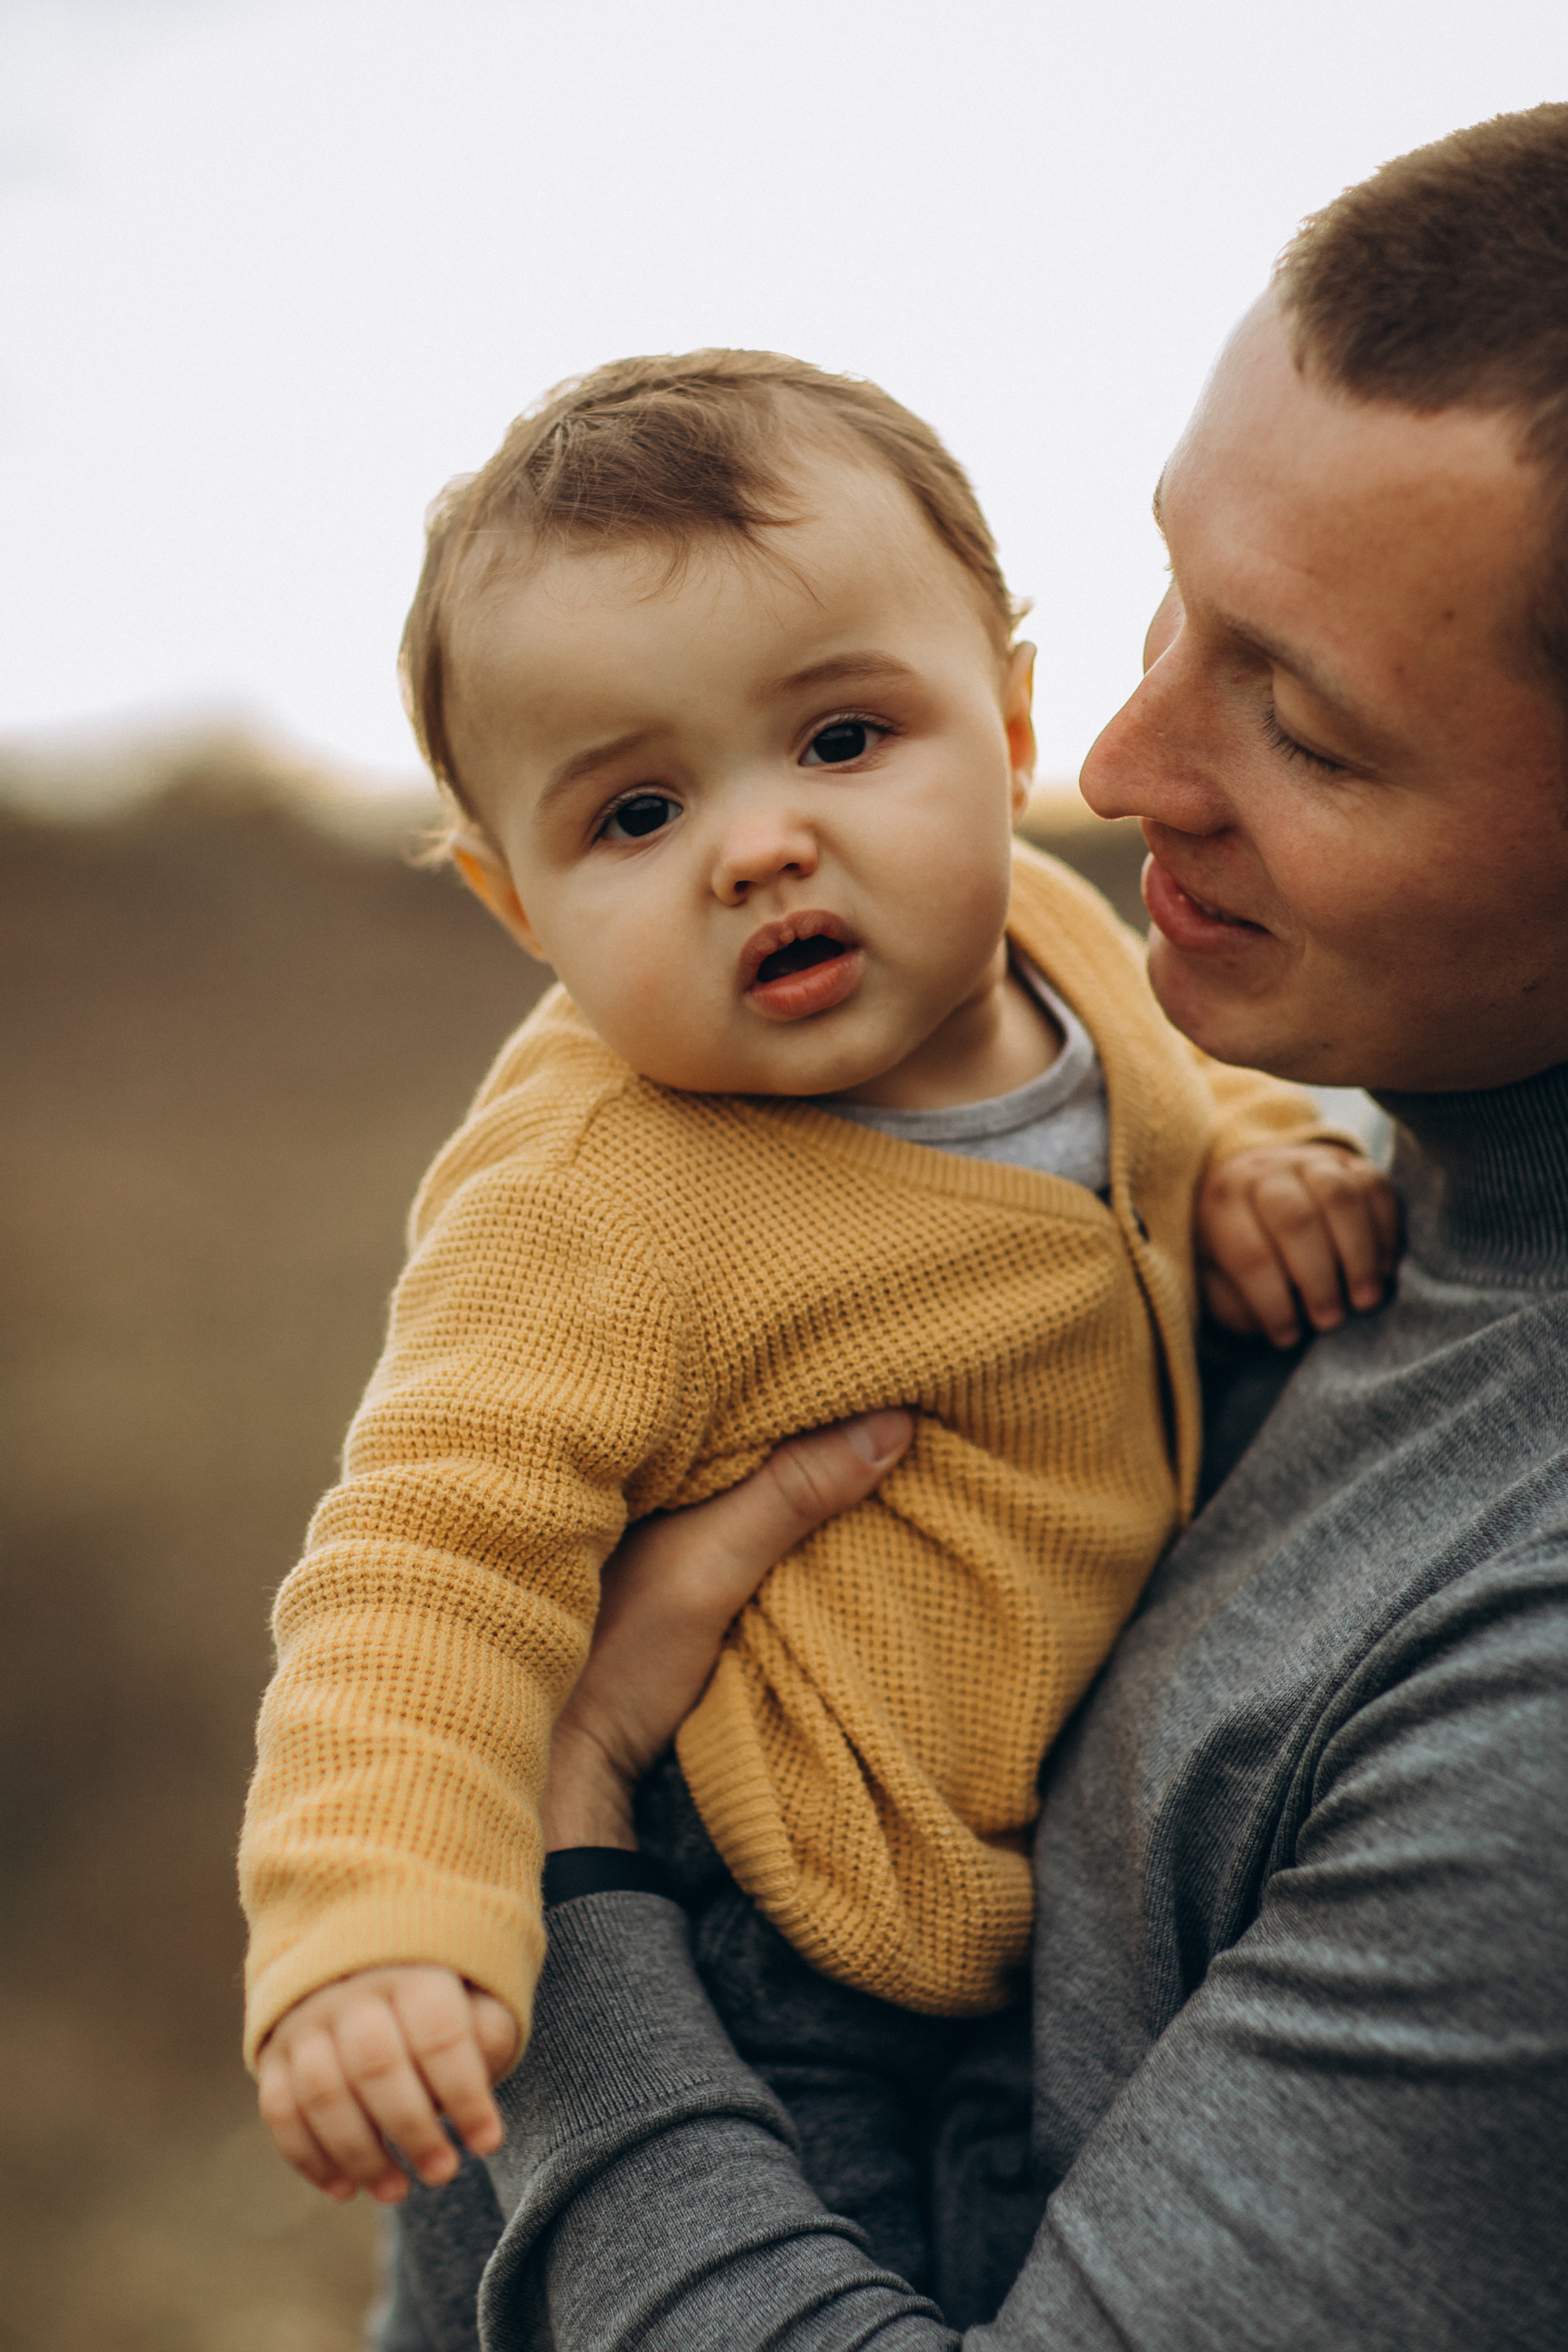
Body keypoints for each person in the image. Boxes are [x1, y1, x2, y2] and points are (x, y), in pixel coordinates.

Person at [381, 105, 1568, 2351]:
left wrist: (558, 1876)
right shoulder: (1278, 1122)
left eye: (1299, 722)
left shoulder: (1531, 1698)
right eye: (1172, 605)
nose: (1112, 768)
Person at [238, 352, 1393, 2286]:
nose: (758, 842)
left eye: (845, 740)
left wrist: (1254, 1169)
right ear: (515, 904)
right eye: (634, 814)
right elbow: (422, 1565)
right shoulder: (608, 1199)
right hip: (748, 1928)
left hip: (995, 1904)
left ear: (1012, 724)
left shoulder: (1053, 937)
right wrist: (376, 1923)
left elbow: (1168, 1117)